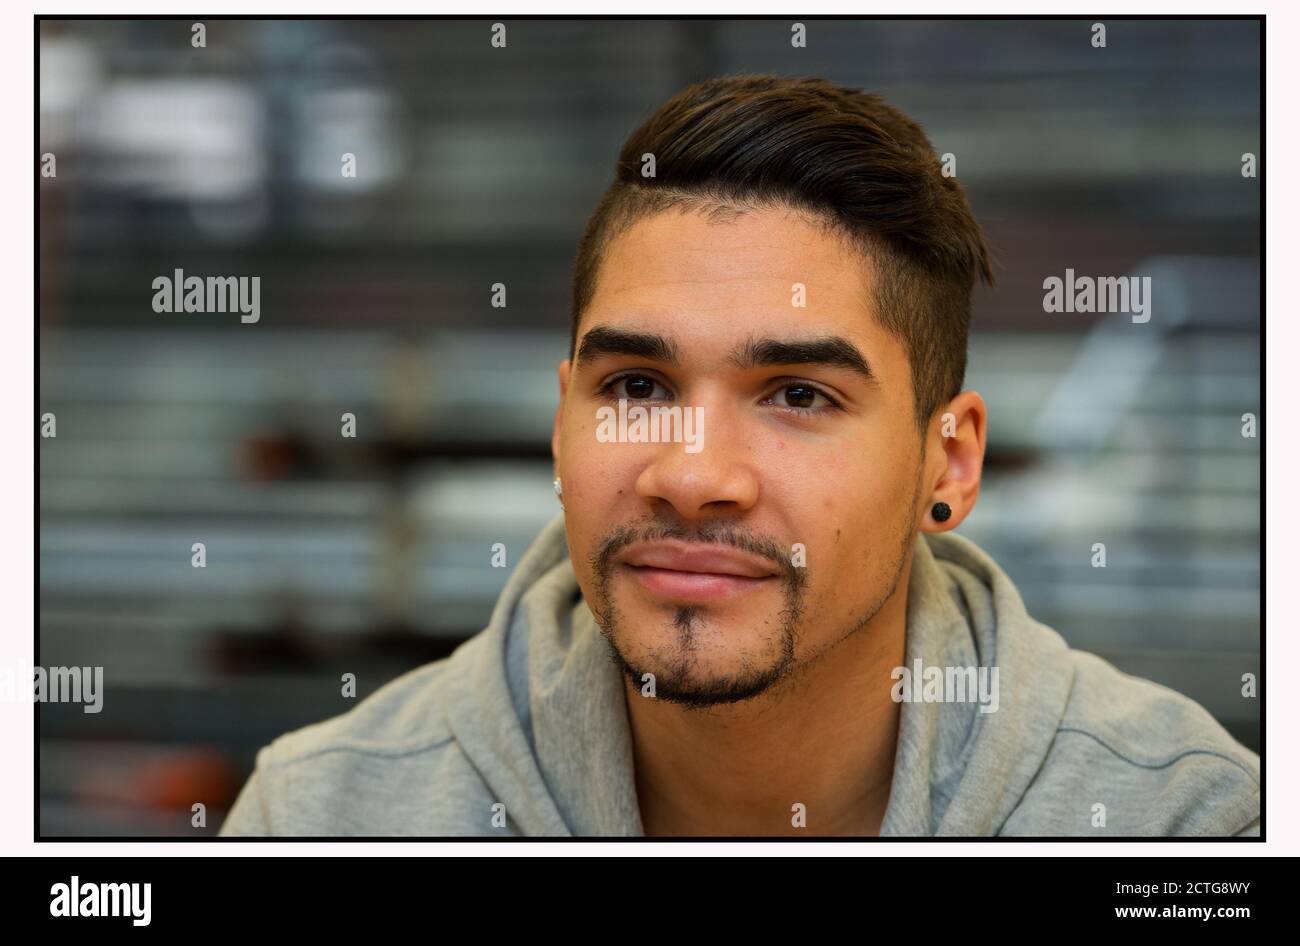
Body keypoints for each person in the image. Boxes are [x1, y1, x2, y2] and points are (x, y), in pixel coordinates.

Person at [221, 73, 1260, 837]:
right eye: (634, 385)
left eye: (798, 395)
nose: (691, 473)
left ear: (947, 465)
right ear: (560, 422)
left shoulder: (1179, 822)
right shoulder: (325, 812)